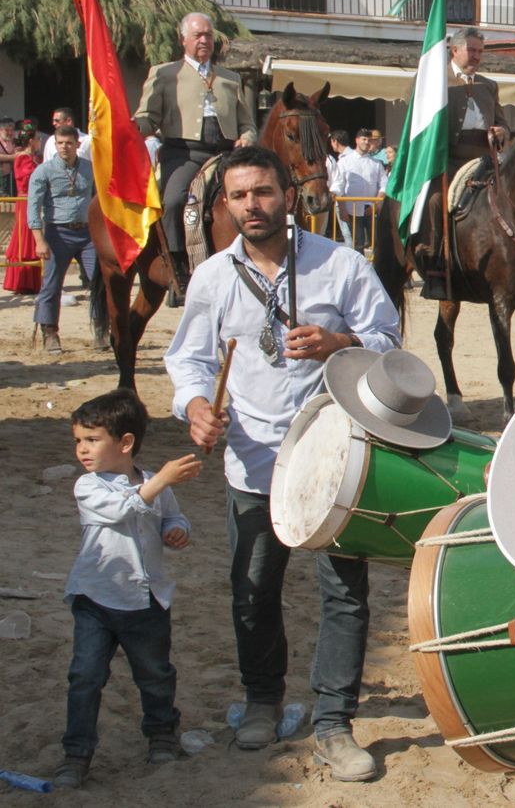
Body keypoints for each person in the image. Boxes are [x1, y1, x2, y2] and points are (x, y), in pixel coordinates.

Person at [166, 145, 400, 782]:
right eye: (239, 196)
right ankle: (262, 701)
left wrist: (339, 342)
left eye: (263, 192)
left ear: (289, 196)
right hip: (252, 463)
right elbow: (188, 360)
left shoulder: (341, 264)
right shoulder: (212, 277)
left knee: (344, 594)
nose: (253, 206)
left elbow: (389, 340)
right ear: (225, 204)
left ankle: (333, 724)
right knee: (253, 590)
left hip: (335, 458)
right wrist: (195, 407)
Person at [54, 390, 202, 790]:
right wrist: (162, 481)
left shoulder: (155, 483)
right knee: (85, 677)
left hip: (147, 601)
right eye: (78, 440)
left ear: (125, 443)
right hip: (94, 599)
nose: (82, 449)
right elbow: (122, 509)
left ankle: (162, 736)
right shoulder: (88, 486)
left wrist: (177, 531)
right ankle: (76, 755)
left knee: (155, 674)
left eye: (92, 439)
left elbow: (173, 516)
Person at [135, 12, 255, 303]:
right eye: (198, 35)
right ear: (183, 40)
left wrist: (248, 138)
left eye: (208, 35)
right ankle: (178, 266)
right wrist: (131, 127)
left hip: (225, 154)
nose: (204, 40)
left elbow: (247, 124)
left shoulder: (230, 78)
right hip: (183, 153)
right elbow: (147, 117)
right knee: (173, 200)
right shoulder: (164, 74)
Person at [29, 126, 99, 354]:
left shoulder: (90, 168)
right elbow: (33, 208)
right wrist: (39, 240)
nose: (64, 147)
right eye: (60, 143)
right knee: (52, 285)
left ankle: (102, 329)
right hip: (58, 233)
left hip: (87, 234)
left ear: (77, 144)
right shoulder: (43, 171)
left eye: (69, 143)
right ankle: (49, 332)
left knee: (99, 282)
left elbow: (99, 199)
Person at [446, 27, 508, 172]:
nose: (477, 56)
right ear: (455, 50)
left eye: (480, 51)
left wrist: (502, 132)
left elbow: (502, 124)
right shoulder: (437, 80)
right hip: (447, 162)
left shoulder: (489, 86)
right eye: (471, 50)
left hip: (484, 163)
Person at [331, 129, 385, 253]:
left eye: (369, 140)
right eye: (364, 139)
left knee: (376, 243)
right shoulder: (344, 161)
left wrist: (376, 205)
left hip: (371, 209)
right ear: (357, 140)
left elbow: (384, 185)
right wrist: (342, 209)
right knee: (357, 244)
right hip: (352, 209)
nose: (366, 142)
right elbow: (339, 185)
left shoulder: (376, 163)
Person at [4, 120, 42, 295]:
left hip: (33, 200)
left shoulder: (33, 158)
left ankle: (32, 280)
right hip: (25, 200)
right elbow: (25, 178)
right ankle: (22, 280)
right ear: (31, 141)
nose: (39, 141)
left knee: (32, 235)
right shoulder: (22, 158)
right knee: (24, 236)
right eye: (37, 139)